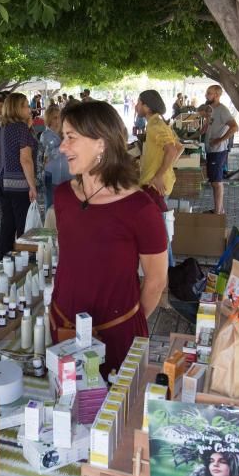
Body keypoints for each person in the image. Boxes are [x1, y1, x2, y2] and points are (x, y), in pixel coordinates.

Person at [51, 101, 168, 376]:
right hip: (62, 325)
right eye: (62, 138)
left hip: (116, 335)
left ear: (101, 143)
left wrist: (126, 321)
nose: (62, 147)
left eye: (71, 138)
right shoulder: (63, 196)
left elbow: (156, 280)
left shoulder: (139, 208)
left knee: (111, 413)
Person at [136, 90, 183, 268]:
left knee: (161, 233)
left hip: (154, 186)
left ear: (147, 106)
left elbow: (172, 150)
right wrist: (165, 169)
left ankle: (167, 270)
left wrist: (158, 175)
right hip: (156, 185)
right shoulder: (158, 123)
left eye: (139, 102)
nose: (136, 106)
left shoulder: (156, 125)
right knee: (161, 230)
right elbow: (179, 147)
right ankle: (167, 269)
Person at [0, 92, 37, 259]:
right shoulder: (21, 128)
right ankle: (24, 262)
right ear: (17, 108)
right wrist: (32, 186)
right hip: (18, 183)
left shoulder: (0, 126)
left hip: (0, 182)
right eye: (25, 105)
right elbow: (26, 160)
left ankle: (3, 260)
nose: (29, 109)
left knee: (7, 224)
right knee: (22, 225)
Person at [203, 85, 239, 214]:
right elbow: (210, 126)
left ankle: (218, 212)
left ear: (217, 95)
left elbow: (235, 127)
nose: (206, 95)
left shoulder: (222, 110)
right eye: (207, 93)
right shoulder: (211, 109)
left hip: (218, 151)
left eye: (209, 93)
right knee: (214, 180)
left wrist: (219, 140)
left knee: (216, 182)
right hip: (212, 150)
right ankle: (219, 209)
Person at [39, 104, 72, 212]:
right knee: (51, 203)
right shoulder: (46, 135)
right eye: (55, 117)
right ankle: (49, 226)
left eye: (59, 117)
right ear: (49, 119)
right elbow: (52, 154)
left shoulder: (63, 132)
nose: (58, 120)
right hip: (52, 174)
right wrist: (66, 142)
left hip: (67, 174)